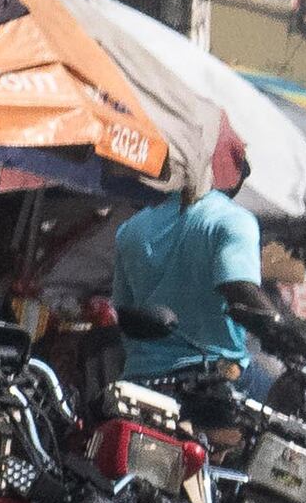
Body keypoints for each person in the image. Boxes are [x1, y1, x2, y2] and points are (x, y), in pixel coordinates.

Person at [115, 164, 278, 392]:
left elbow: (123, 311)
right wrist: (286, 336)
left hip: (141, 379)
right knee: (289, 407)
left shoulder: (130, 229)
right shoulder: (232, 219)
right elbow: (239, 288)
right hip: (213, 379)